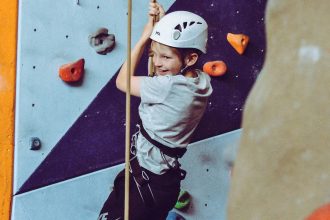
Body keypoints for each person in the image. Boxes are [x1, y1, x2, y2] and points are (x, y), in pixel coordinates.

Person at [98, 1, 213, 220]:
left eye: (166, 57)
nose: (158, 63)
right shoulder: (200, 82)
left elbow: (122, 82)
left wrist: (144, 38)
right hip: (159, 181)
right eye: (154, 54)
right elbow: (166, 69)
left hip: (146, 178)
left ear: (190, 58)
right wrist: (163, 26)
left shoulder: (168, 87)